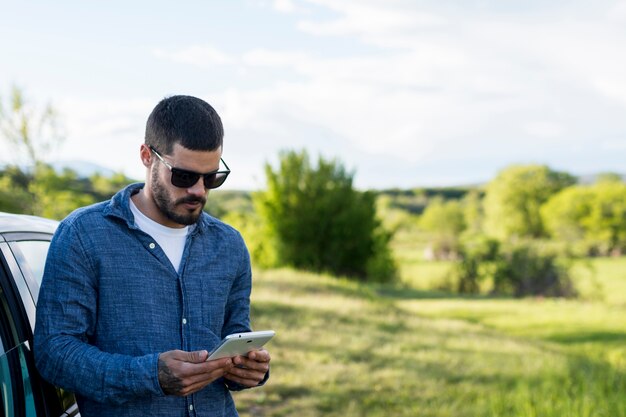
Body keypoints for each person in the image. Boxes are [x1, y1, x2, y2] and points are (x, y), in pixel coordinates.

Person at [34, 95, 270, 417]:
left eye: (212, 177)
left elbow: (236, 336)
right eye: (184, 176)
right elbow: (55, 353)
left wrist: (248, 370)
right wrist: (151, 375)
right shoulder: (82, 235)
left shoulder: (229, 245)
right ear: (147, 156)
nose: (199, 191)